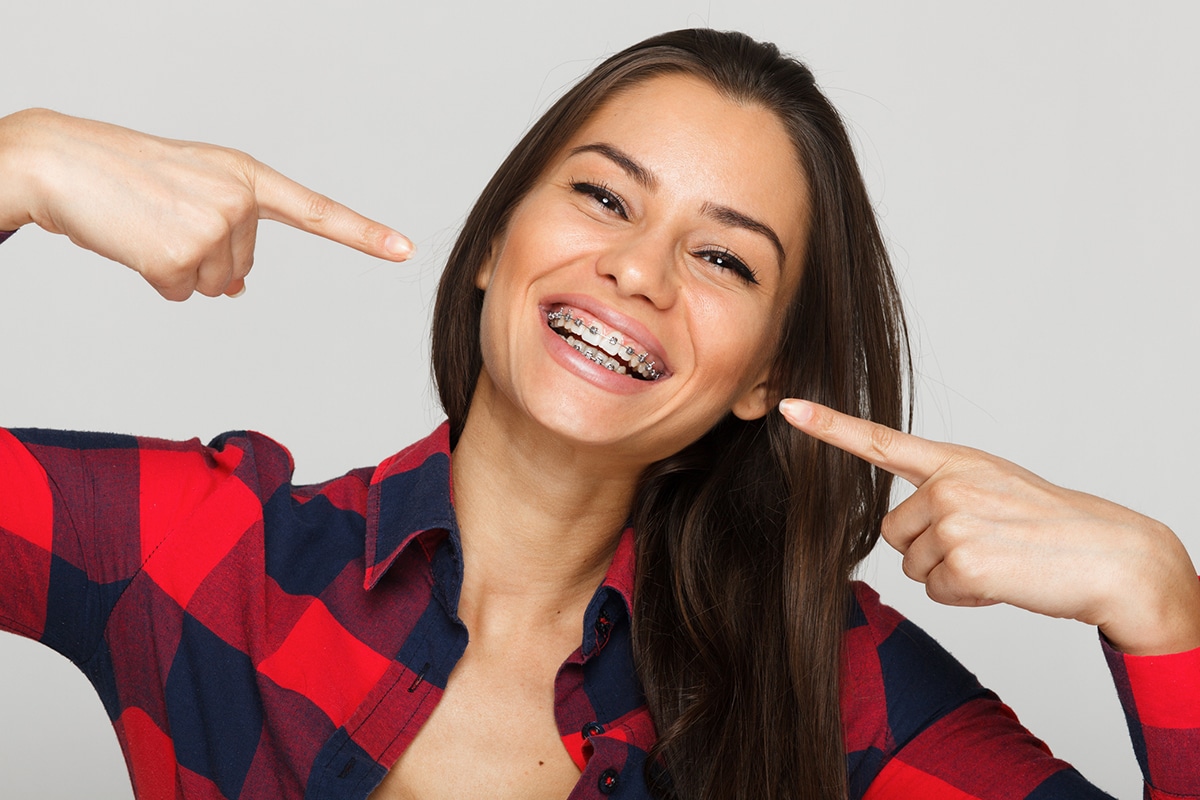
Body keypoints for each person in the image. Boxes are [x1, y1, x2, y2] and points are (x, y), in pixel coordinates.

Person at [1, 28, 1197, 800]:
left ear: (758, 378)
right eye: (602, 196)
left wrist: (1161, 601)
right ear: (496, 240)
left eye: (725, 260)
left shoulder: (828, 683)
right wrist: (18, 163)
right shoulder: (205, 552)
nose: (639, 270)